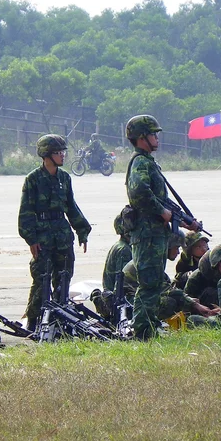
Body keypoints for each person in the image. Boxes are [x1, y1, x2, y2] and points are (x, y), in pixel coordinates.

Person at [124, 114, 200, 339]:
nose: (157, 138)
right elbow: (138, 192)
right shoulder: (140, 162)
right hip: (147, 235)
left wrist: (185, 220)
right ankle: (143, 333)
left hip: (155, 234)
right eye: (153, 134)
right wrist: (162, 212)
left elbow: (161, 199)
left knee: (154, 283)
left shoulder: (148, 162)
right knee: (148, 285)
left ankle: (148, 328)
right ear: (141, 137)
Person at [19, 134, 91, 332]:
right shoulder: (33, 179)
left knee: (64, 278)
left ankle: (60, 319)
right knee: (41, 279)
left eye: (63, 152)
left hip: (62, 235)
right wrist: (31, 239)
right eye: (58, 152)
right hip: (42, 237)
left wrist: (82, 230)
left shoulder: (65, 178)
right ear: (46, 155)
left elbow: (71, 207)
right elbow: (26, 212)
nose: (63, 156)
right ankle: (33, 321)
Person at [91, 212, 132, 320]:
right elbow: (123, 282)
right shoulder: (125, 250)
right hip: (115, 300)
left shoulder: (120, 246)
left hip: (111, 295)